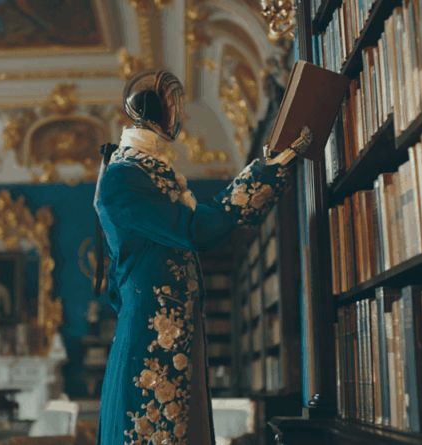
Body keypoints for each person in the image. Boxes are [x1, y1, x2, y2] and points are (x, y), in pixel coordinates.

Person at [94, 69, 308, 445]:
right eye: (171, 106)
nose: (177, 116)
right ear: (152, 113)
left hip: (168, 329)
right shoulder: (124, 177)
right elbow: (195, 231)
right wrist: (263, 173)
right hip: (150, 337)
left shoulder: (144, 171)